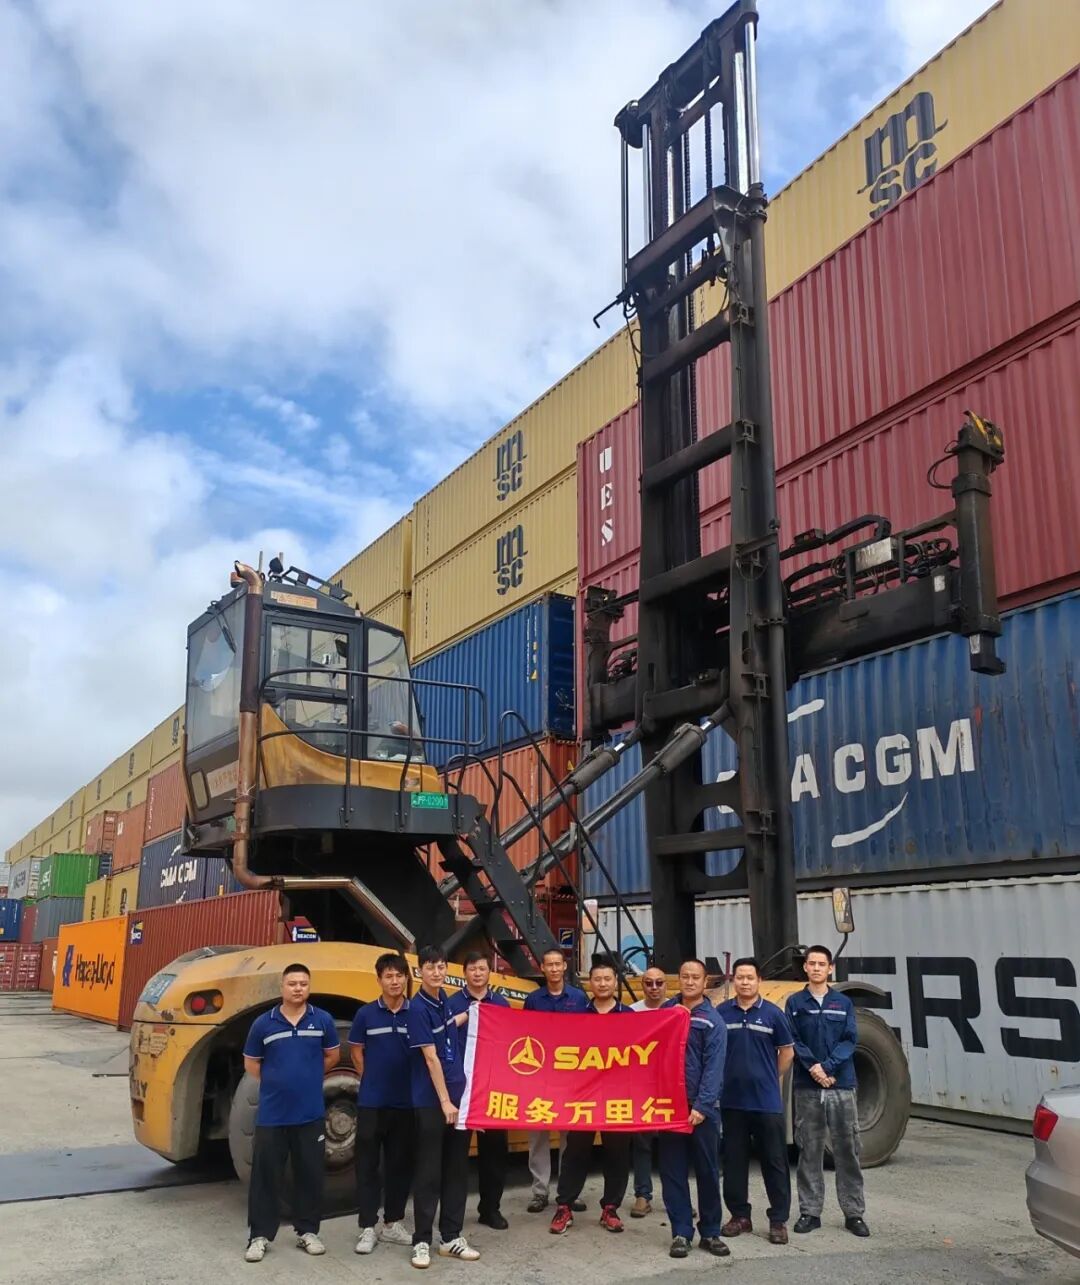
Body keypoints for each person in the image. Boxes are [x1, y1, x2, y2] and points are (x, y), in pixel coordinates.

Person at [241, 962, 341, 1263]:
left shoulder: (322, 1020)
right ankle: (259, 1236)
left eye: (303, 984)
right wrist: (277, 1082)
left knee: (310, 1175)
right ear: (282, 987)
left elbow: (332, 1055)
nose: (298, 988)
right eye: (292, 983)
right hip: (272, 1115)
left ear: (309, 987)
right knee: (266, 1177)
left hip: (310, 1114)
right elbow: (252, 1063)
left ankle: (308, 1231)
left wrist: (307, 1077)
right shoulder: (264, 1024)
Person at [785, 945, 870, 1238]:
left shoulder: (843, 1003)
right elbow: (793, 1039)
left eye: (822, 964)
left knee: (848, 1150)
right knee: (809, 1150)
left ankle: (854, 1214)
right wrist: (813, 1068)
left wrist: (828, 1068)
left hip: (840, 1084)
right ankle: (810, 1212)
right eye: (812, 963)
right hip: (808, 1087)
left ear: (830, 968)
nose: (817, 968)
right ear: (805, 967)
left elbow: (850, 1039)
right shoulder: (795, 1003)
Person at [407, 944, 481, 1268]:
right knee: (429, 1172)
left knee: (456, 1171)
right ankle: (422, 1241)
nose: (436, 972)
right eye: (430, 967)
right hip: (433, 1102)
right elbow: (431, 1058)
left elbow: (455, 1025)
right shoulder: (417, 1009)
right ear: (420, 971)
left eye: (441, 967)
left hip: (458, 1102)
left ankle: (451, 1237)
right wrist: (445, 1101)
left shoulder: (445, 1002)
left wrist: (477, 1012)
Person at [549, 958, 632, 1236]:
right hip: (582, 1097)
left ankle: (610, 1208)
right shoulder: (577, 1016)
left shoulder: (630, 1017)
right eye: (598, 979)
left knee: (617, 1153)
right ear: (590, 983)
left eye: (608, 979)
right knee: (575, 1151)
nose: (603, 984)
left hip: (618, 1098)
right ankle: (564, 1206)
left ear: (616, 982)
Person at [716, 957, 795, 1246]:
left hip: (766, 1102)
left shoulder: (773, 1014)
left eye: (750, 977)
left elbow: (787, 1053)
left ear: (759, 980)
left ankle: (778, 1220)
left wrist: (770, 1078)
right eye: (740, 977)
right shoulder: (722, 1013)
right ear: (733, 980)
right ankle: (740, 1216)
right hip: (732, 1102)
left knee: (774, 1162)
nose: (745, 982)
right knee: (734, 1162)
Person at [658, 958, 730, 1259]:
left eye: (695, 977)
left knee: (707, 1171)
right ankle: (681, 1232)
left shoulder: (713, 1021)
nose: (689, 982)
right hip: (669, 1108)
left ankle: (710, 1232)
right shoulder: (666, 1012)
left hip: (702, 1110)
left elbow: (714, 1068)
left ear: (705, 982)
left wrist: (701, 1105)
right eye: (684, 976)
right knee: (672, 1171)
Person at [349, 952, 415, 1255]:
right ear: (379, 980)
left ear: (406, 978)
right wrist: (371, 1079)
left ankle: (392, 1223)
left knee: (400, 1165)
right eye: (389, 976)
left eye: (399, 975)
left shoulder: (416, 1013)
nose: (395, 981)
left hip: (405, 1103)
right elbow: (356, 1052)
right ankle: (367, 1226)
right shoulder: (365, 1014)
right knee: (367, 1165)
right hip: (372, 1102)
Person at [447, 951, 511, 1231]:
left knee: (494, 1154)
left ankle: (490, 1209)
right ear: (464, 973)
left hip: (494, 1090)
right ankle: (452, 1215)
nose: (477, 973)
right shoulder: (451, 1004)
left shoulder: (501, 1004)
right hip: (460, 1091)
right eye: (472, 969)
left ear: (489, 972)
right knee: (456, 1155)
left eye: (482, 968)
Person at [522, 947, 589, 1213]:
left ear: (564, 967)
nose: (553, 969)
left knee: (569, 1137)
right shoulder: (533, 1000)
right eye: (548, 964)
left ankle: (569, 1191)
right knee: (538, 1135)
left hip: (570, 1078)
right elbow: (523, 1035)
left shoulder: (579, 998)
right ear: (542, 968)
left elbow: (590, 1035)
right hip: (539, 1077)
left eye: (557, 964)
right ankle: (540, 1192)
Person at [629, 964, 668, 1217]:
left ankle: (676, 1197)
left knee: (672, 1146)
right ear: (641, 985)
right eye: (648, 982)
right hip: (641, 1088)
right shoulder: (631, 1012)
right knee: (641, 1144)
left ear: (666, 985)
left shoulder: (677, 1011)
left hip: (670, 1087)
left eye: (659, 982)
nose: (654, 987)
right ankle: (642, 1195)